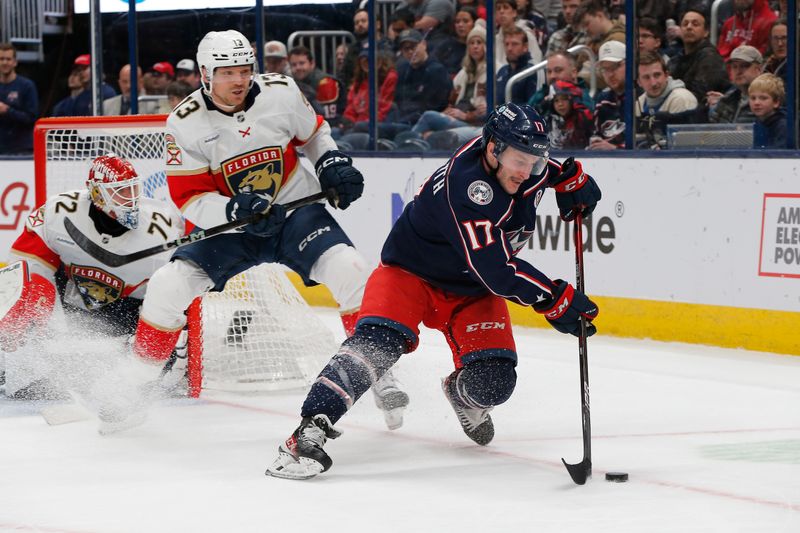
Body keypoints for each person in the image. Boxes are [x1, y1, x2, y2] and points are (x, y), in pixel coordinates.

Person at [265, 103, 601, 480]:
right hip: (410, 276)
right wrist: (555, 299)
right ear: (492, 148)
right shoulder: (468, 187)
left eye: (534, 163)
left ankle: (460, 395)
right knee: (377, 346)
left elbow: (546, 169)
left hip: (470, 291)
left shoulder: (522, 165)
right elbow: (496, 270)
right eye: (519, 161)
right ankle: (308, 431)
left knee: (495, 383)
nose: (526, 173)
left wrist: (569, 178)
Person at [129, 30, 408, 430]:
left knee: (351, 268)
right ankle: (134, 387)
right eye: (227, 73)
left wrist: (330, 163)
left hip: (295, 213)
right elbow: (189, 198)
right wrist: (231, 210)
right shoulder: (183, 123)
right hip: (231, 228)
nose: (239, 80)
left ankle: (378, 372)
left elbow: (315, 136)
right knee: (166, 286)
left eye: (245, 69)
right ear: (205, 74)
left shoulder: (281, 92)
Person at [1, 154, 185, 408]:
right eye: (120, 192)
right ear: (98, 194)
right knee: (22, 293)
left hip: (128, 310)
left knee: (155, 361)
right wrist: (46, 326)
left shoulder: (160, 230)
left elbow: (178, 291)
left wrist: (166, 336)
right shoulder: (60, 212)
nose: (131, 199)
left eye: (133, 188)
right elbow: (25, 266)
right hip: (74, 302)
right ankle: (22, 366)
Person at [667, 9, 730, 109]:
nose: (689, 27)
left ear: (706, 32)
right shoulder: (675, 59)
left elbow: (698, 96)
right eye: (685, 24)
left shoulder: (711, 58)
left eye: (695, 24)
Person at [635, 52, 698, 149]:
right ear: (639, 82)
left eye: (657, 75)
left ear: (666, 75)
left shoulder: (681, 98)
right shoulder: (640, 101)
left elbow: (684, 147)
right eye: (646, 77)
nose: (653, 83)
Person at [288, 46, 347, 129]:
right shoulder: (292, 83)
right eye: (294, 65)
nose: (297, 68)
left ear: (312, 63)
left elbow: (328, 119)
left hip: (330, 129)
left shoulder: (326, 82)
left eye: (301, 63)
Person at [707, 44, 763, 124]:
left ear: (758, 69)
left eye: (744, 66)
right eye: (734, 66)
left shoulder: (768, 101)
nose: (738, 71)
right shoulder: (726, 100)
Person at [0, 42, 38, 155]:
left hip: (22, 149)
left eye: (8, 59)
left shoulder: (26, 86)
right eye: (1, 59)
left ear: (15, 62)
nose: (5, 62)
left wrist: (7, 110)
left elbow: (32, 118)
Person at [589, 40, 626, 150]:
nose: (610, 74)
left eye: (615, 67)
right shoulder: (602, 100)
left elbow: (644, 145)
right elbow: (595, 135)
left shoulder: (640, 99)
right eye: (605, 69)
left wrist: (615, 149)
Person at [52, 54, 116, 117]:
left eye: (84, 68)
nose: (80, 73)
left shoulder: (106, 92)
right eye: (78, 70)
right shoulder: (79, 96)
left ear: (95, 68)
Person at [495, 27, 538, 105]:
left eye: (514, 44)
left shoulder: (532, 71)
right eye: (506, 44)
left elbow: (533, 107)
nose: (509, 48)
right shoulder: (502, 71)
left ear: (525, 47)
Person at [749, 73, 786, 149]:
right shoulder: (758, 123)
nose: (756, 103)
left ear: (776, 102)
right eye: (753, 98)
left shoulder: (783, 126)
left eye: (763, 98)